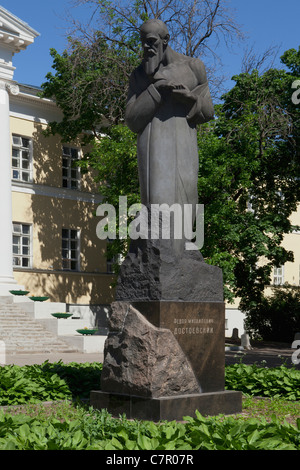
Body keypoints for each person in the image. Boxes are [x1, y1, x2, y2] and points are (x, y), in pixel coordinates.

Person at [125, 18, 214, 230]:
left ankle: (181, 253)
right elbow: (132, 120)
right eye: (143, 42)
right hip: (153, 148)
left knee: (188, 198)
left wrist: (190, 98)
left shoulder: (193, 67)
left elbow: (209, 112)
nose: (146, 48)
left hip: (185, 146)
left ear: (166, 40)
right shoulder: (139, 75)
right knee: (157, 204)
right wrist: (156, 91)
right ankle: (162, 253)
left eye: (151, 41)